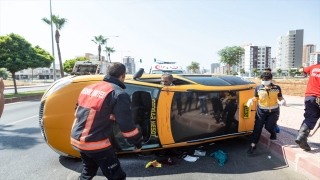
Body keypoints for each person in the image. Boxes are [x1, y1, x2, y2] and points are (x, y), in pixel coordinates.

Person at [71, 62, 143, 180]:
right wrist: (137, 143)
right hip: (95, 143)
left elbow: (81, 111)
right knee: (117, 176)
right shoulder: (118, 93)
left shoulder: (89, 88)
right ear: (123, 75)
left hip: (77, 139)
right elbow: (127, 125)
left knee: (88, 171)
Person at [246, 72, 286, 154]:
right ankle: (253, 145)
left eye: (266, 79)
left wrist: (283, 100)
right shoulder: (258, 88)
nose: (264, 81)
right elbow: (256, 98)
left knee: (269, 127)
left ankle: (273, 132)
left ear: (271, 79)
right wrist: (251, 100)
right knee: (257, 127)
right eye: (263, 79)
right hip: (261, 111)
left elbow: (280, 97)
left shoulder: (276, 88)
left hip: (273, 111)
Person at [295, 63, 320, 151]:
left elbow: (301, 70)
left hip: (310, 97)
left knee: (310, 117)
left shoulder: (314, 67)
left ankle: (302, 136)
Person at [263, 67, 280, 133]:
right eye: (265, 73)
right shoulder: (261, 85)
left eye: (268, 73)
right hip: (263, 106)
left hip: (273, 106)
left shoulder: (275, 86)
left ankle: (274, 126)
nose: (266, 74)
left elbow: (279, 95)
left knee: (273, 119)